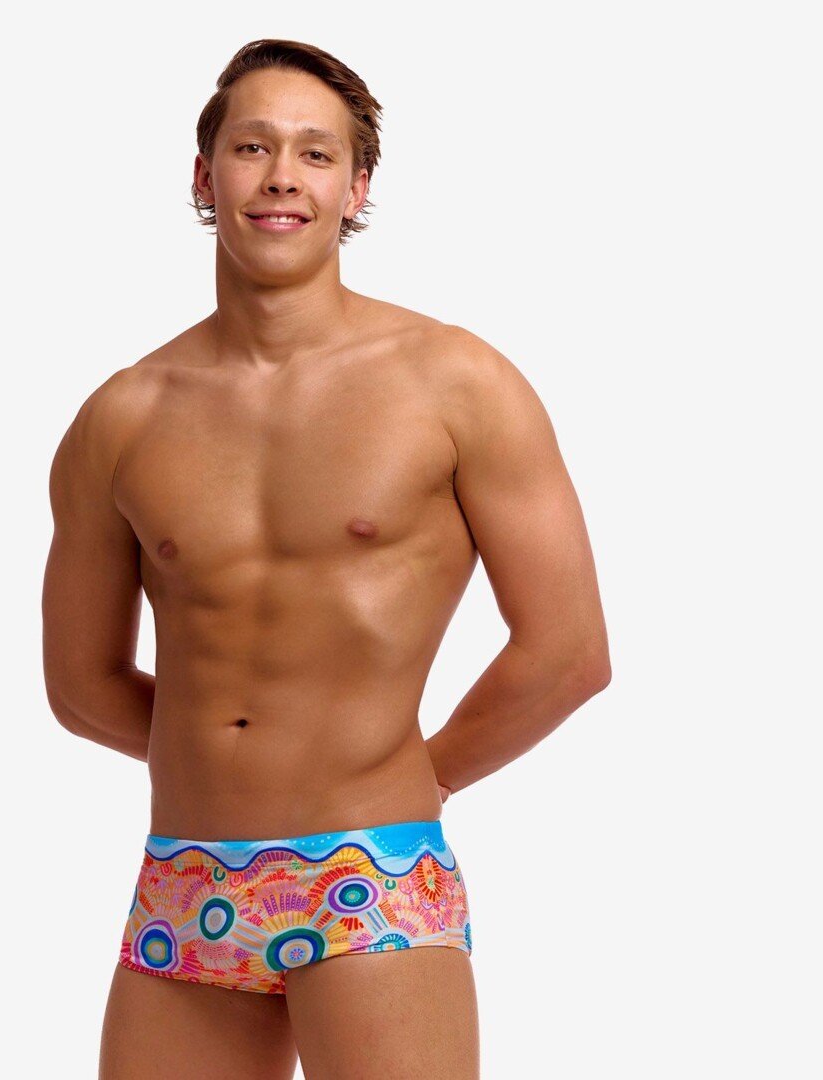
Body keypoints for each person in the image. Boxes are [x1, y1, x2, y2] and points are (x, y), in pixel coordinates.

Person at [42, 38, 611, 1080]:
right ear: (204, 175)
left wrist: (414, 775)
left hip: (371, 876)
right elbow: (80, 686)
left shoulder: (457, 384)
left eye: (315, 153)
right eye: (252, 146)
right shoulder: (121, 417)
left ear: (357, 188)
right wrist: (223, 758)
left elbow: (569, 650)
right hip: (184, 879)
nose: (281, 177)